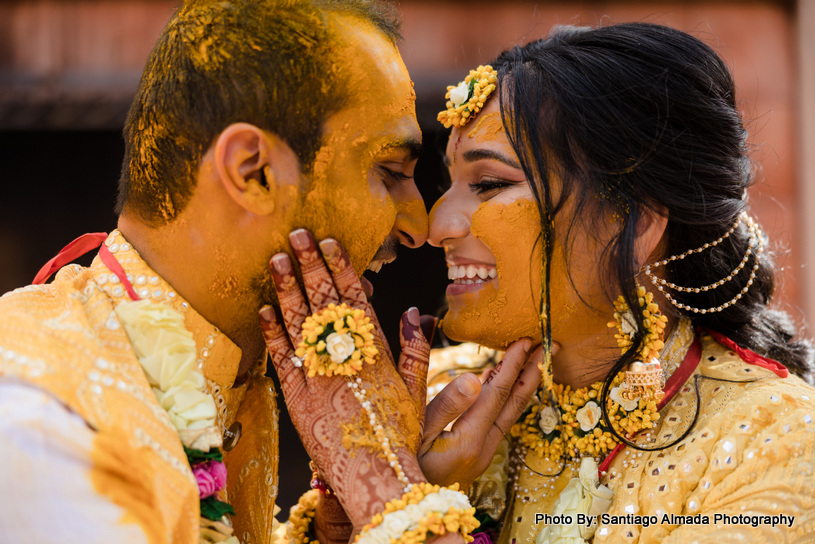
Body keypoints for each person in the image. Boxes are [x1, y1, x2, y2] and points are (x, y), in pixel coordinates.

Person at [0, 1, 540, 542]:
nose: (420, 227)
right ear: (253, 172)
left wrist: (342, 525)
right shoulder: (42, 423)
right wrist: (383, 481)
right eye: (391, 172)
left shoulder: (231, 382)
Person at [426, 22, 815, 543]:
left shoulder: (774, 439)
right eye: (447, 183)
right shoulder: (439, 401)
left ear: (636, 222)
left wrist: (401, 497)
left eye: (490, 184)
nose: (437, 227)